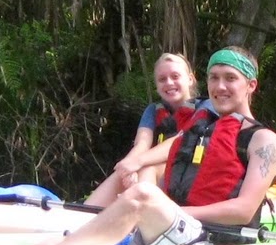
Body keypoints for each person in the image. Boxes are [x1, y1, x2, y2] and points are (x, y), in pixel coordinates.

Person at [51, 46, 276, 245]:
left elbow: (244, 211)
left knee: (143, 195)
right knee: (142, 188)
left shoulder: (262, 139)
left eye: (230, 78)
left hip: (219, 241)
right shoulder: (195, 132)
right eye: (214, 78)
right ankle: (71, 232)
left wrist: (165, 210)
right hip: (177, 231)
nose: (220, 86)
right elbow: (166, 183)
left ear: (251, 85)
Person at [84, 52, 202, 208]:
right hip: (154, 168)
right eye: (162, 79)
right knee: (123, 172)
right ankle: (85, 212)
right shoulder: (153, 110)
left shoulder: (204, 108)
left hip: (187, 173)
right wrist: (128, 168)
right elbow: (142, 144)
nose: (169, 83)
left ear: (190, 79)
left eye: (175, 76)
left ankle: (143, 216)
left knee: (147, 168)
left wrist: (137, 162)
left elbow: (181, 140)